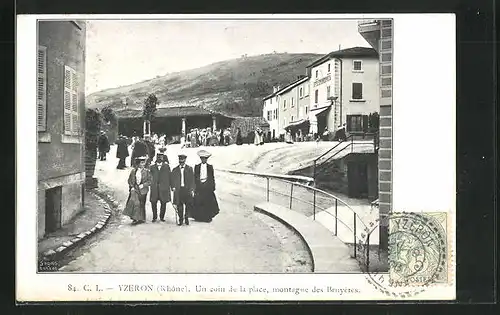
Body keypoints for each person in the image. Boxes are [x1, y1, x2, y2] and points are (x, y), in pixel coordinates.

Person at [192, 150, 220, 222]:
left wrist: (212, 186)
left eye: (205, 158)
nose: (203, 160)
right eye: (202, 158)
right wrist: (195, 186)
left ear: (207, 159)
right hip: (199, 186)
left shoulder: (210, 167)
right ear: (200, 159)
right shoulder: (197, 167)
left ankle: (207, 217)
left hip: (207, 186)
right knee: (199, 201)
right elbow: (195, 177)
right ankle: (199, 217)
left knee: (207, 202)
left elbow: (212, 177)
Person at [123, 156, 151, 225]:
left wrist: (143, 185)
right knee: (135, 203)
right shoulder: (133, 171)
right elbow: (130, 180)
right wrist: (131, 187)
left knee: (142, 203)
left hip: (143, 189)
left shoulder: (147, 171)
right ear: (138, 164)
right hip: (135, 188)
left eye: (144, 162)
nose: (143, 164)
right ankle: (135, 218)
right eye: (141, 163)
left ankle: (141, 218)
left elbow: (150, 181)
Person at [171, 151, 195, 226]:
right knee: (179, 205)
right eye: (180, 161)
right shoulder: (175, 170)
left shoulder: (189, 169)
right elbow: (172, 180)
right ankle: (181, 219)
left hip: (187, 189)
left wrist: (192, 189)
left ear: (185, 161)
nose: (181, 162)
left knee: (188, 204)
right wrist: (173, 187)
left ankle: (186, 217)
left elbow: (192, 180)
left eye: (183, 161)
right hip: (179, 190)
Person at [149, 147, 172, 223]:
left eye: (161, 157)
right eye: (158, 157)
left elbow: (169, 176)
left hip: (164, 187)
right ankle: (154, 217)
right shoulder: (152, 167)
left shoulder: (166, 166)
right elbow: (149, 177)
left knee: (163, 202)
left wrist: (171, 186)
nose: (159, 158)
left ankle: (162, 217)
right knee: (153, 202)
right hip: (154, 187)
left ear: (163, 158)